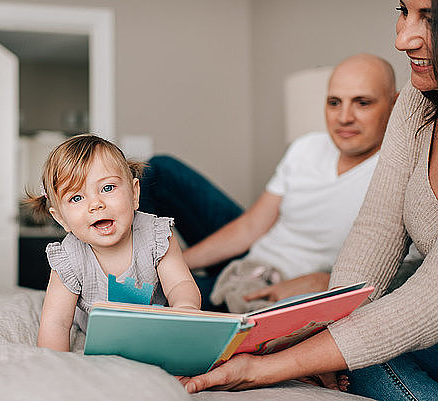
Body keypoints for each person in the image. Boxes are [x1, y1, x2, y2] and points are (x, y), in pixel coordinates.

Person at [180, 0, 438, 398]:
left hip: (318, 290)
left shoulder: (383, 148)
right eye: (403, 10)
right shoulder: (415, 106)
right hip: (252, 269)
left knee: (363, 349)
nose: (403, 39)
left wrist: (261, 368)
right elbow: (376, 233)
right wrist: (316, 328)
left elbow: (424, 301)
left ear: (386, 103)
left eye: (431, 19)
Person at [140, 53, 398, 312]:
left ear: (394, 103)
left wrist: (328, 283)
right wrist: (171, 264)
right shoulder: (306, 147)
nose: (344, 117)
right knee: (160, 170)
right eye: (334, 102)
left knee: (152, 300)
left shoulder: (398, 172)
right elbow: (251, 226)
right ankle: (135, 262)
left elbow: (411, 269)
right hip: (251, 254)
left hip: (271, 289)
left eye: (362, 103)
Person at [26, 134, 201, 352]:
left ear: (134, 194)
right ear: (61, 219)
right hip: (96, 330)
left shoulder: (156, 236)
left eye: (107, 188)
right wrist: (58, 367)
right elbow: (57, 323)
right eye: (77, 198)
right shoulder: (70, 257)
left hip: (152, 324)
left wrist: (185, 307)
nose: (96, 204)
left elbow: (179, 284)